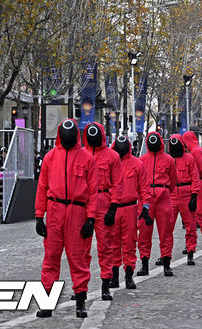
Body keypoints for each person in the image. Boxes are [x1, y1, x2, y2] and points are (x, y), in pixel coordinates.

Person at [34, 119, 97, 318]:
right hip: (54, 210)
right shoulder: (50, 157)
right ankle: (47, 303)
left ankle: (80, 301)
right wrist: (39, 216)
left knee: (77, 258)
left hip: (77, 212)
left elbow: (93, 192)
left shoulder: (87, 159)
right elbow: (42, 188)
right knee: (51, 258)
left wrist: (91, 218)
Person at [82, 122, 123, 299]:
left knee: (106, 246)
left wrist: (113, 206)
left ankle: (106, 283)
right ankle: (80, 286)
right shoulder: (80, 154)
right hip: (83, 203)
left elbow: (118, 183)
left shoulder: (112, 156)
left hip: (104, 201)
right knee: (81, 249)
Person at [111, 136, 151, 290]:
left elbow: (144, 188)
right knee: (113, 243)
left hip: (130, 207)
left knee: (129, 242)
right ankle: (114, 276)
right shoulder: (110, 163)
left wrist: (145, 207)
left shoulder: (137, 164)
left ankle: (129, 275)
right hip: (113, 207)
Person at [138, 132, 177, 277]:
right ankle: (144, 264)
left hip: (163, 195)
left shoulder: (169, 160)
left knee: (166, 231)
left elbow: (173, 180)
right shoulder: (141, 160)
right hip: (146, 198)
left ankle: (167, 264)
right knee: (144, 232)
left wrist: (164, 191)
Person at [167, 134, 200, 265]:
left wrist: (194, 196)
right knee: (167, 227)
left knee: (190, 226)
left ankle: (191, 251)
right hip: (172, 194)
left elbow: (195, 177)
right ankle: (166, 255)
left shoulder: (189, 158)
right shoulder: (168, 159)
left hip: (186, 194)